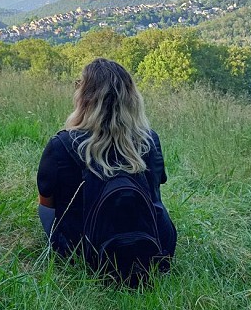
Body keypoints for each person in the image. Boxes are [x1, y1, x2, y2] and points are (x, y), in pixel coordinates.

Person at [37, 58, 176, 281]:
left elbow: (47, 203)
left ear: (84, 97)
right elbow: (155, 191)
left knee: (45, 207)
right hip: (156, 244)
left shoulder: (62, 144)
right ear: (132, 98)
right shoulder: (149, 140)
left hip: (83, 251)